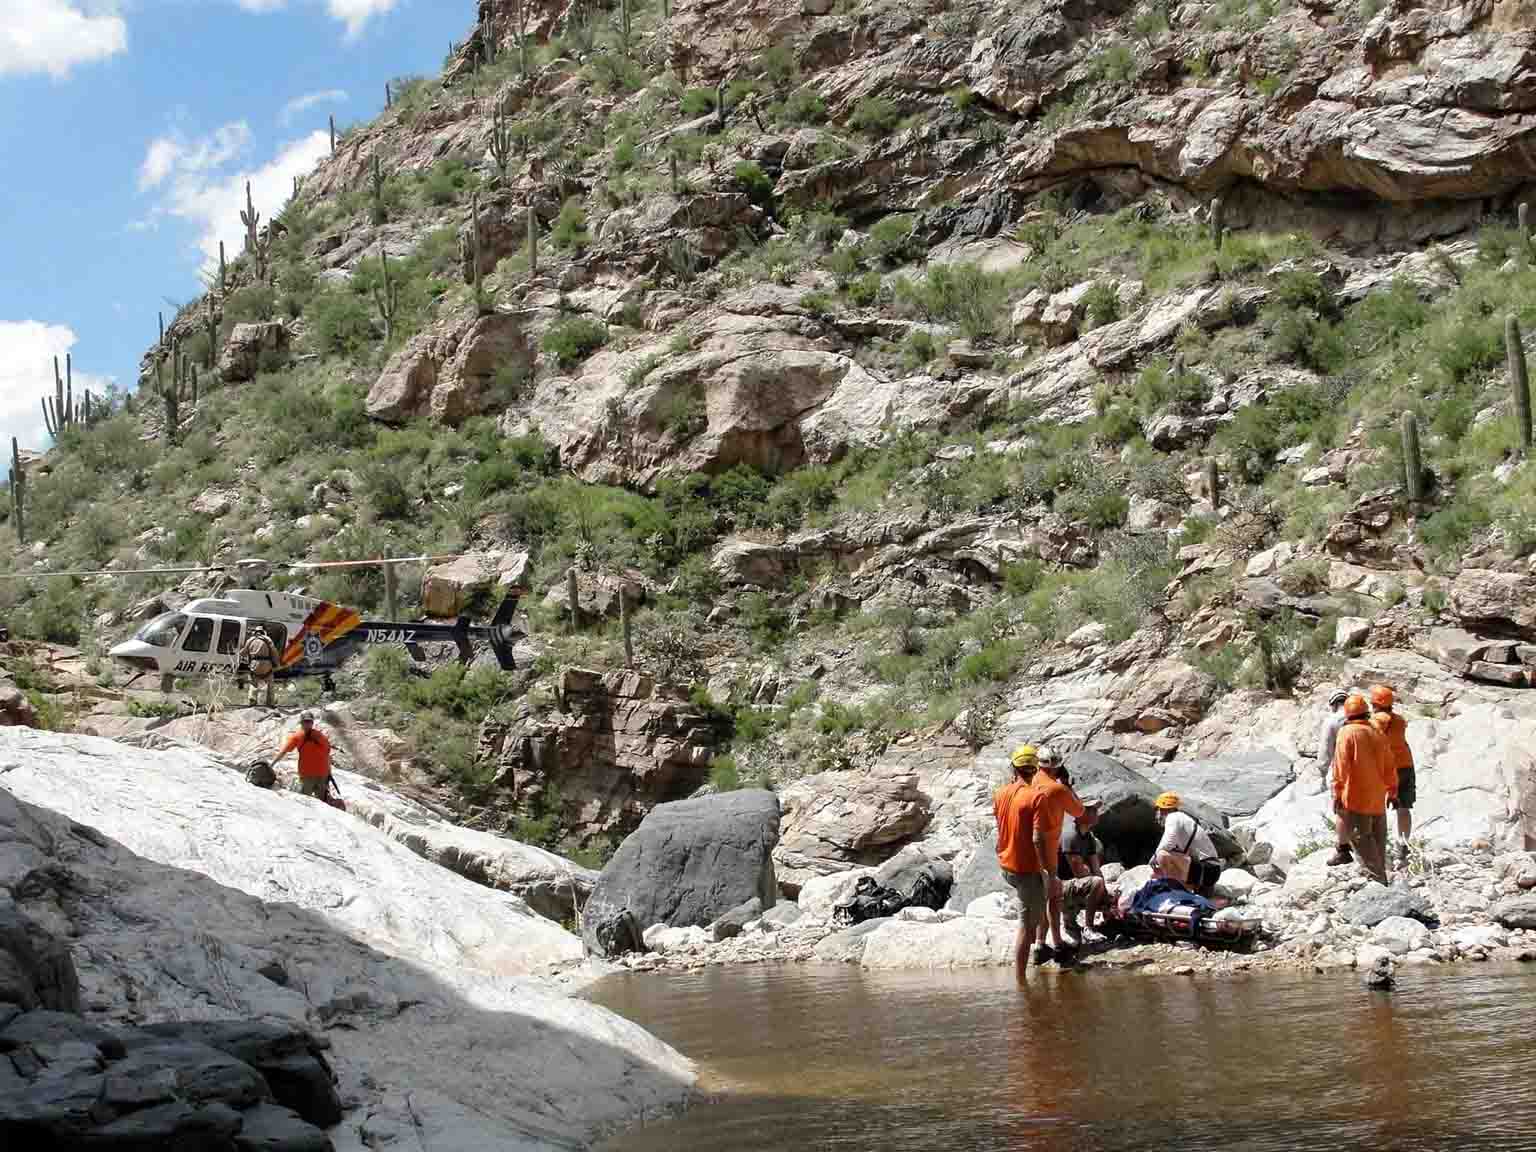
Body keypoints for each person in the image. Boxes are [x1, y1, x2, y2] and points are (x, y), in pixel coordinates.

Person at [1026, 746, 1086, 958]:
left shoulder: (1030, 783)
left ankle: (1041, 944)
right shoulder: (1057, 789)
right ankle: (1055, 942)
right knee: (1053, 895)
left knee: (1041, 897)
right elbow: (1079, 811)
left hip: (1025, 849)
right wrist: (1068, 786)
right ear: (1058, 768)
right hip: (1046, 849)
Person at [994, 745, 1047, 975]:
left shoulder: (1000, 794)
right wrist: (1049, 872)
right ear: (1035, 770)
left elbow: (1001, 826)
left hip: (1006, 865)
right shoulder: (1036, 797)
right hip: (1026, 869)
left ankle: (1042, 948)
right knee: (1026, 926)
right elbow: (1037, 839)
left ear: (1013, 768)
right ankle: (1021, 980)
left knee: (1037, 908)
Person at [1334, 693, 1395, 884]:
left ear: (1347, 715)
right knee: (1378, 842)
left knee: (1361, 840)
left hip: (1356, 797)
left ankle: (1379, 883)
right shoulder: (1376, 731)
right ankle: (1383, 880)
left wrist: (1336, 792)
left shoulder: (1347, 733)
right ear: (1366, 712)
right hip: (1377, 797)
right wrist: (1392, 790)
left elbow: (1340, 766)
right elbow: (1389, 764)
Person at [1370, 685, 1415, 866]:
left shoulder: (1377, 720)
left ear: (1374, 703)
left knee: (1376, 807)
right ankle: (1402, 846)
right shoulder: (1400, 720)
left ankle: (1377, 848)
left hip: (1386, 769)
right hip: (1405, 766)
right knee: (1403, 808)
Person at [1151, 792, 1221, 898]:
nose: (1156, 816)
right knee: (1156, 874)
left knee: (1162, 855)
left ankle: (1178, 892)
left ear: (1161, 809)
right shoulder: (1182, 819)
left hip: (1205, 869)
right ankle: (1189, 890)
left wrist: (1154, 857)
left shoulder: (1173, 817)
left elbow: (1168, 843)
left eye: (1157, 810)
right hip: (1210, 871)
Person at [1058, 804, 1108, 944]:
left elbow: (1095, 868)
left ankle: (1071, 919)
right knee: (1096, 883)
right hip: (1059, 887)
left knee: (1103, 886)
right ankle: (1088, 928)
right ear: (1080, 813)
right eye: (1092, 810)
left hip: (1074, 883)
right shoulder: (1070, 835)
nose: (1096, 813)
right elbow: (1079, 871)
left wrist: (1105, 895)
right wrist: (1095, 879)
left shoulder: (1089, 837)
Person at [1317, 689, 1354, 865]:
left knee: (1342, 810)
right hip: (1364, 769)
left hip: (1341, 771)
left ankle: (1343, 850)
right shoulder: (1361, 718)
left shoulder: (1331, 721)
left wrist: (1322, 773)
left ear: (1333, 705)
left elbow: (1325, 750)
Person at [273, 710, 332, 800]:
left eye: (309, 722)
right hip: (317, 774)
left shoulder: (314, 736)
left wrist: (271, 764)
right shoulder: (318, 735)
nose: (308, 724)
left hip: (312, 774)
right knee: (319, 801)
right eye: (306, 721)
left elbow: (283, 752)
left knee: (306, 801)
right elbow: (328, 753)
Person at [242, 626, 278, 708]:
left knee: (253, 683)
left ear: (255, 632)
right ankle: (270, 703)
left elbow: (243, 653)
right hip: (266, 665)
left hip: (254, 665)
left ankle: (252, 701)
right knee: (270, 683)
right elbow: (274, 652)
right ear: (263, 632)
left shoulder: (250, 640)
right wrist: (276, 663)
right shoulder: (268, 640)